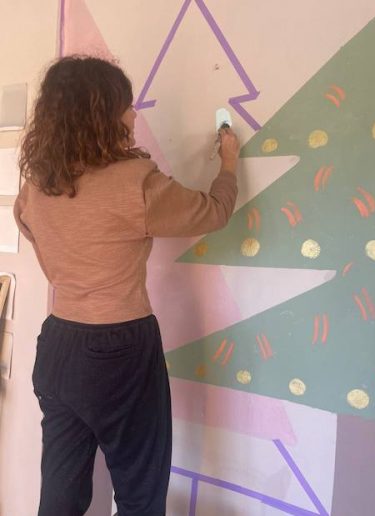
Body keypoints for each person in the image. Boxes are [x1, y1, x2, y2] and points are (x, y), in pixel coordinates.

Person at [13, 55, 239, 516]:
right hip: (120, 348)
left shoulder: (37, 184)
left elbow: (39, 242)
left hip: (58, 342)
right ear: (103, 114)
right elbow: (214, 212)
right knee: (140, 496)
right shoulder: (136, 183)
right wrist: (230, 163)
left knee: (59, 497)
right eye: (127, 106)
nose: (134, 115)